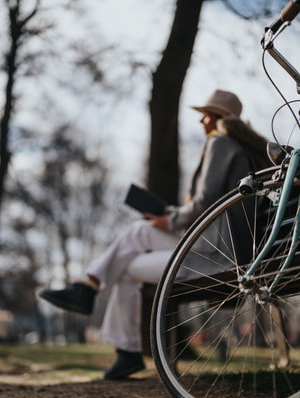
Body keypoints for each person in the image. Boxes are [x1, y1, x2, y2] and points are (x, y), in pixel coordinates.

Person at [39, 89, 269, 380]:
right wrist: (170, 217)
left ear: (215, 117)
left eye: (204, 116)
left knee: (128, 265)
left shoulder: (221, 143)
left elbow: (203, 203)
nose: (201, 122)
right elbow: (207, 206)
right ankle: (92, 292)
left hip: (218, 254)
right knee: (136, 235)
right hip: (219, 244)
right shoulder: (242, 149)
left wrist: (170, 219)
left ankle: (123, 344)